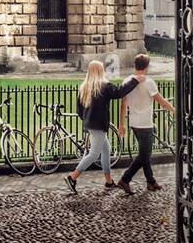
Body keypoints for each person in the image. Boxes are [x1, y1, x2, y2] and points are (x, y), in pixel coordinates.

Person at [66, 60, 139, 193]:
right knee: (93, 154)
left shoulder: (84, 87)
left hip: (90, 124)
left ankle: (109, 181)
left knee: (106, 149)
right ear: (101, 71)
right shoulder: (104, 86)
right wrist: (134, 81)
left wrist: (87, 120)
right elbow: (119, 92)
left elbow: (79, 110)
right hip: (98, 125)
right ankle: (73, 177)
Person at [118, 52, 175, 194]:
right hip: (145, 124)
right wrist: (174, 110)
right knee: (144, 155)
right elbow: (161, 101)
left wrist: (122, 124)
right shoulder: (148, 82)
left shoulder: (126, 80)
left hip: (134, 123)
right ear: (147, 66)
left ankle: (151, 181)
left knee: (145, 153)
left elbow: (123, 105)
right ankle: (125, 179)